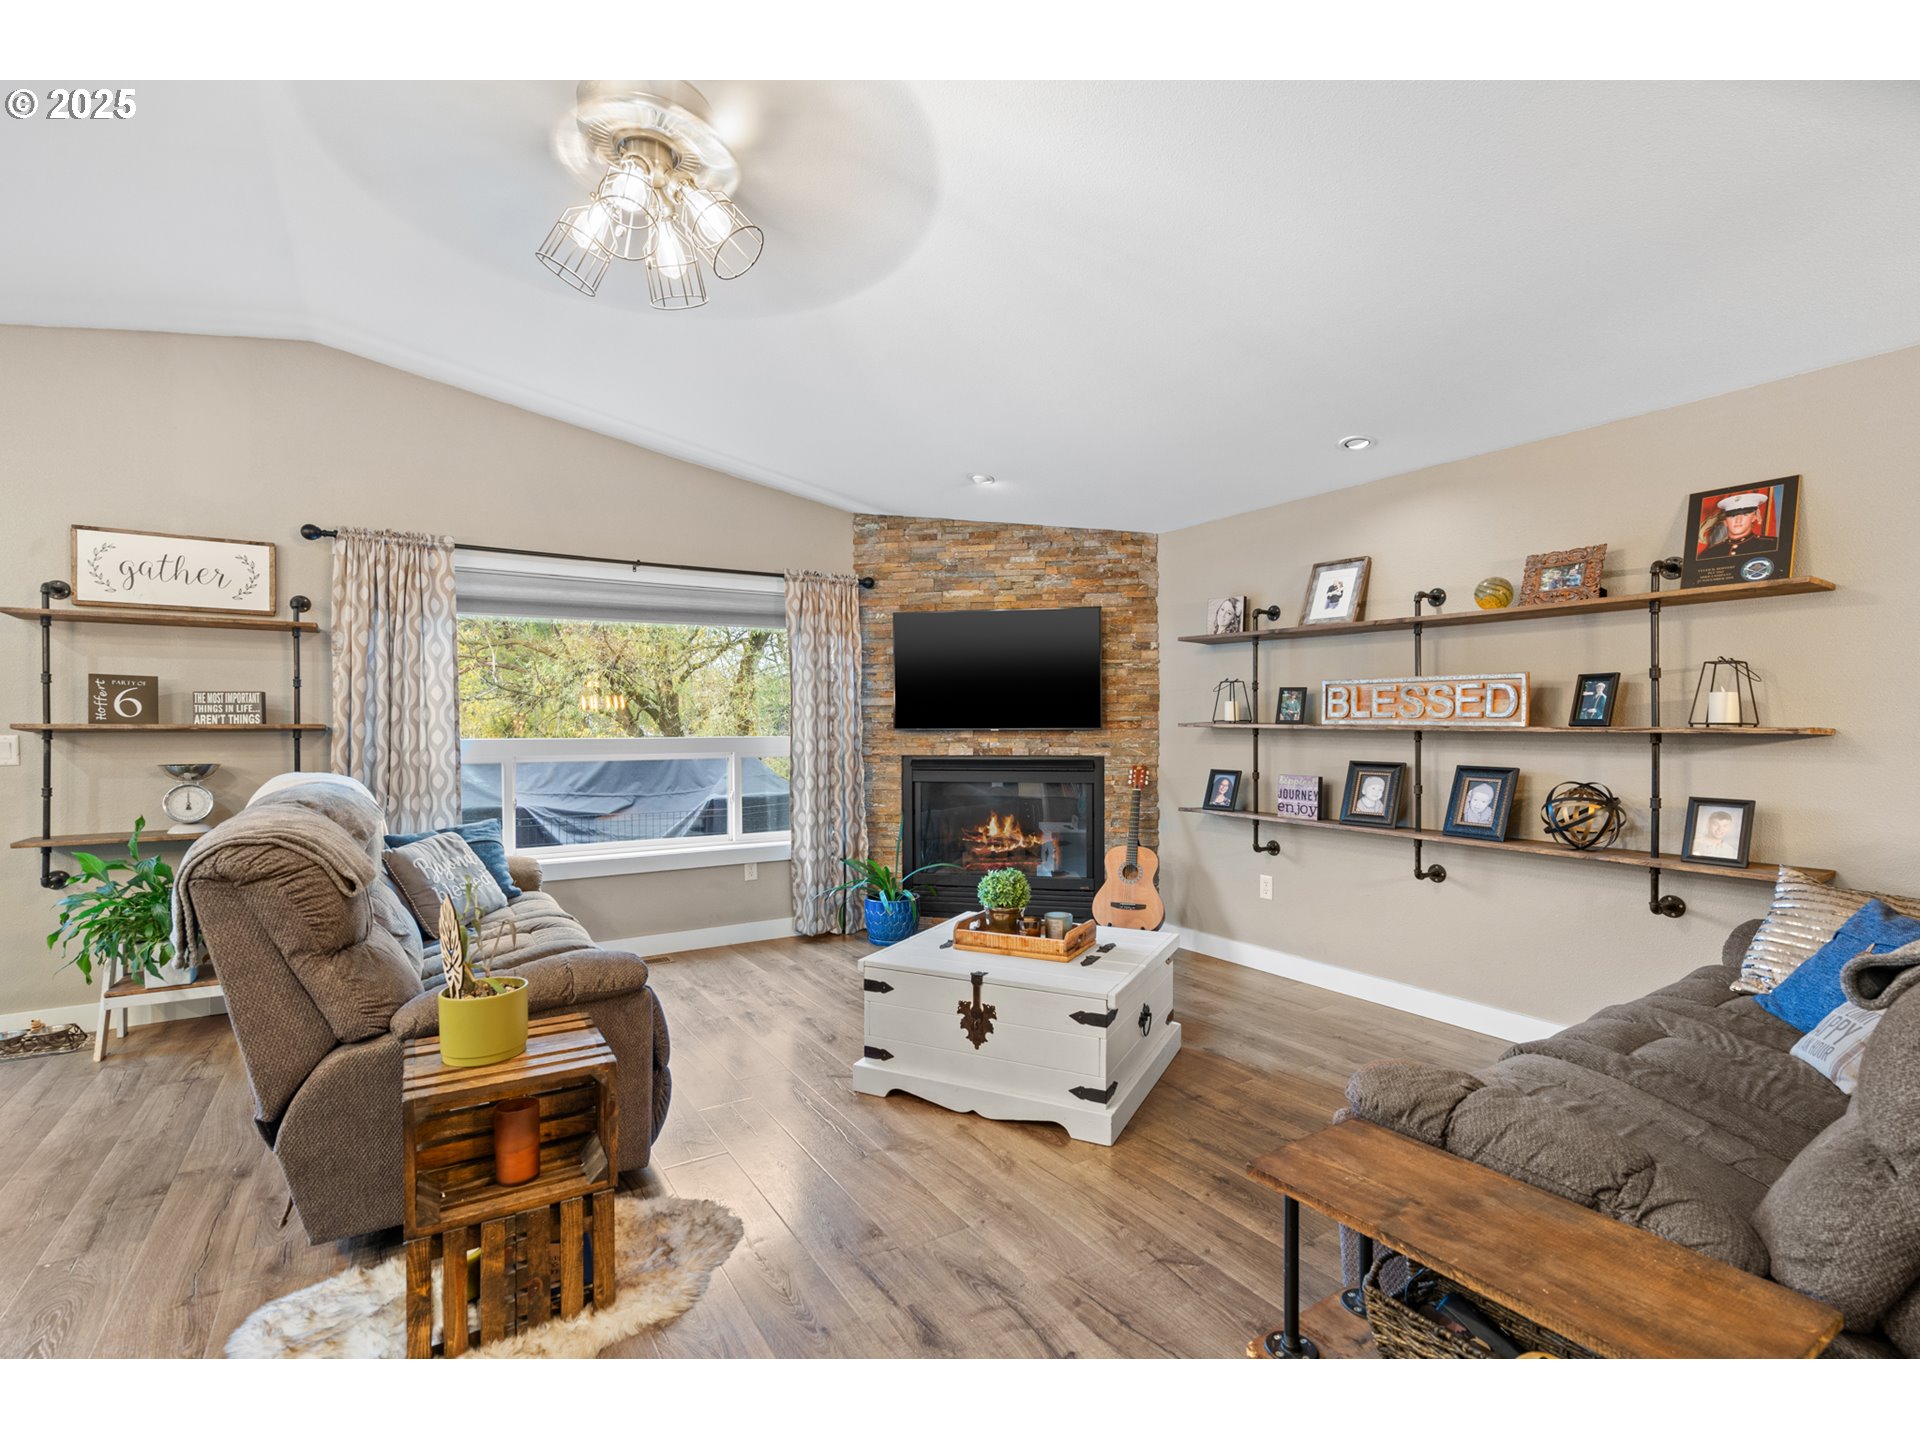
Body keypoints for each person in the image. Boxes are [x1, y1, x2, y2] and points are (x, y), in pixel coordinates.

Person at [1698, 492, 1776, 560]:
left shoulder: (1772, 545)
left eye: (1745, 514)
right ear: (1725, 521)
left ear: (1754, 518)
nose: (1738, 520)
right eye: (1732, 516)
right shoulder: (1708, 554)